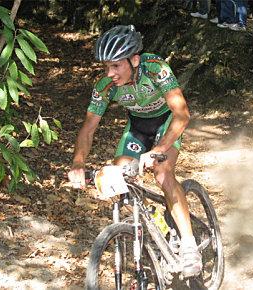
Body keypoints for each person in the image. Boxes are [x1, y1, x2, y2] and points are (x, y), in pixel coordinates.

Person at [67, 25, 202, 277]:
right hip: (138, 126)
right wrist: (78, 163)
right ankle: (157, 225)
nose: (110, 73)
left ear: (135, 59)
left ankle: (189, 245)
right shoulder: (106, 85)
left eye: (116, 66)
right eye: (107, 66)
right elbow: (88, 127)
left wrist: (159, 150)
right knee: (120, 178)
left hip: (166, 122)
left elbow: (182, 114)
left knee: (162, 172)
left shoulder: (156, 69)